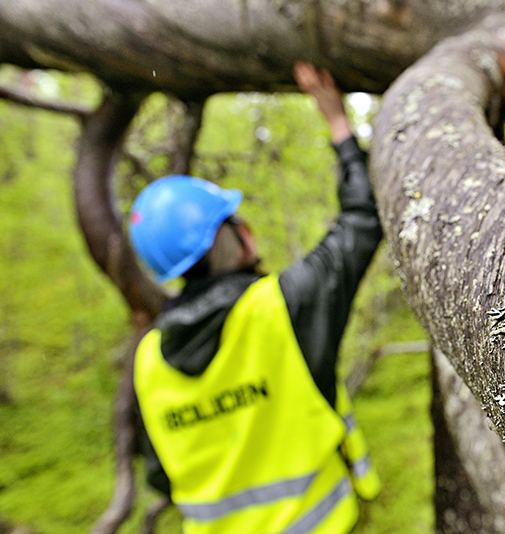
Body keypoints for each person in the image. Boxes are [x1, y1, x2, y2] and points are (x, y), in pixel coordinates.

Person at [128, 62, 382, 534]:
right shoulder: (283, 307)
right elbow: (363, 219)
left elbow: (161, 475)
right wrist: (339, 125)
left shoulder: (147, 361)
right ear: (233, 237)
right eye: (235, 220)